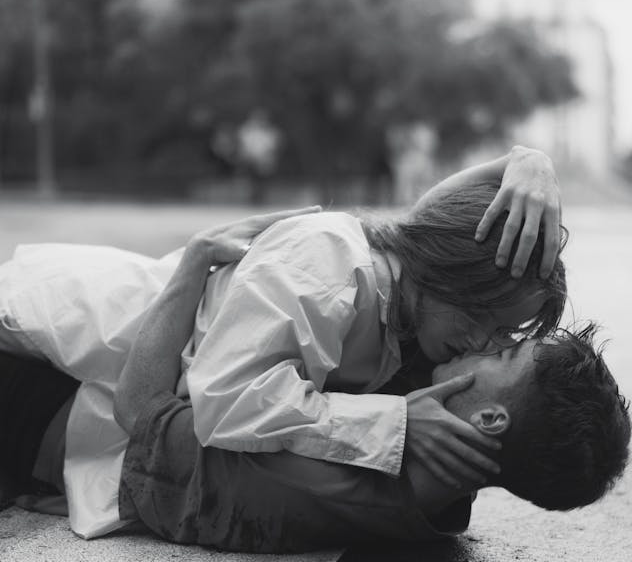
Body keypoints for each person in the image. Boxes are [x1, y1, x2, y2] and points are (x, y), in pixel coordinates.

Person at [0, 148, 565, 540]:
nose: (485, 345)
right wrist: (389, 424)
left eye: (504, 337)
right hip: (47, 335)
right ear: (452, 271)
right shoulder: (332, 268)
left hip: (95, 382)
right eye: (489, 319)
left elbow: (430, 221)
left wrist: (527, 163)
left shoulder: (407, 300)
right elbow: (226, 400)